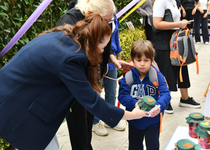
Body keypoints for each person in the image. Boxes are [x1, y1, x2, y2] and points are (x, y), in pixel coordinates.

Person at [0, 14, 147, 150]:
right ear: (94, 42)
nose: (103, 52)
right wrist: (133, 115)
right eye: (103, 48)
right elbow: (92, 102)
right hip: (16, 107)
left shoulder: (66, 36)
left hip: (19, 97)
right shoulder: (71, 59)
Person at [56, 0, 132, 149]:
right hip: (75, 83)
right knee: (79, 125)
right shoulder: (69, 21)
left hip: (91, 78)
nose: (107, 23)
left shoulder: (100, 18)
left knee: (88, 119)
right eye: (106, 20)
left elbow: (104, 43)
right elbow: (65, 58)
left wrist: (111, 59)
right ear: (91, 13)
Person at [118, 40, 171, 150]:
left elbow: (166, 93)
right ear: (132, 60)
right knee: (134, 146)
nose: (142, 64)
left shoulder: (156, 75)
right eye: (138, 60)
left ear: (152, 60)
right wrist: (135, 103)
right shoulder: (128, 77)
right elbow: (122, 95)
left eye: (146, 60)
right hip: (134, 121)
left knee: (153, 146)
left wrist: (159, 106)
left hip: (153, 122)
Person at [153, 0, 201, 114]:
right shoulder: (160, 2)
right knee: (166, 71)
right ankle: (165, 100)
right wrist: (178, 24)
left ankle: (185, 98)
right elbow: (156, 24)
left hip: (175, 39)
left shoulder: (175, 1)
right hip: (163, 41)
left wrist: (181, 23)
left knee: (181, 66)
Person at [92, 14, 126, 136]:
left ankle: (110, 119)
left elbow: (114, 37)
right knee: (96, 92)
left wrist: (118, 53)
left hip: (110, 60)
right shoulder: (95, 16)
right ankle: (95, 122)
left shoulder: (113, 16)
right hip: (97, 60)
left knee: (112, 91)